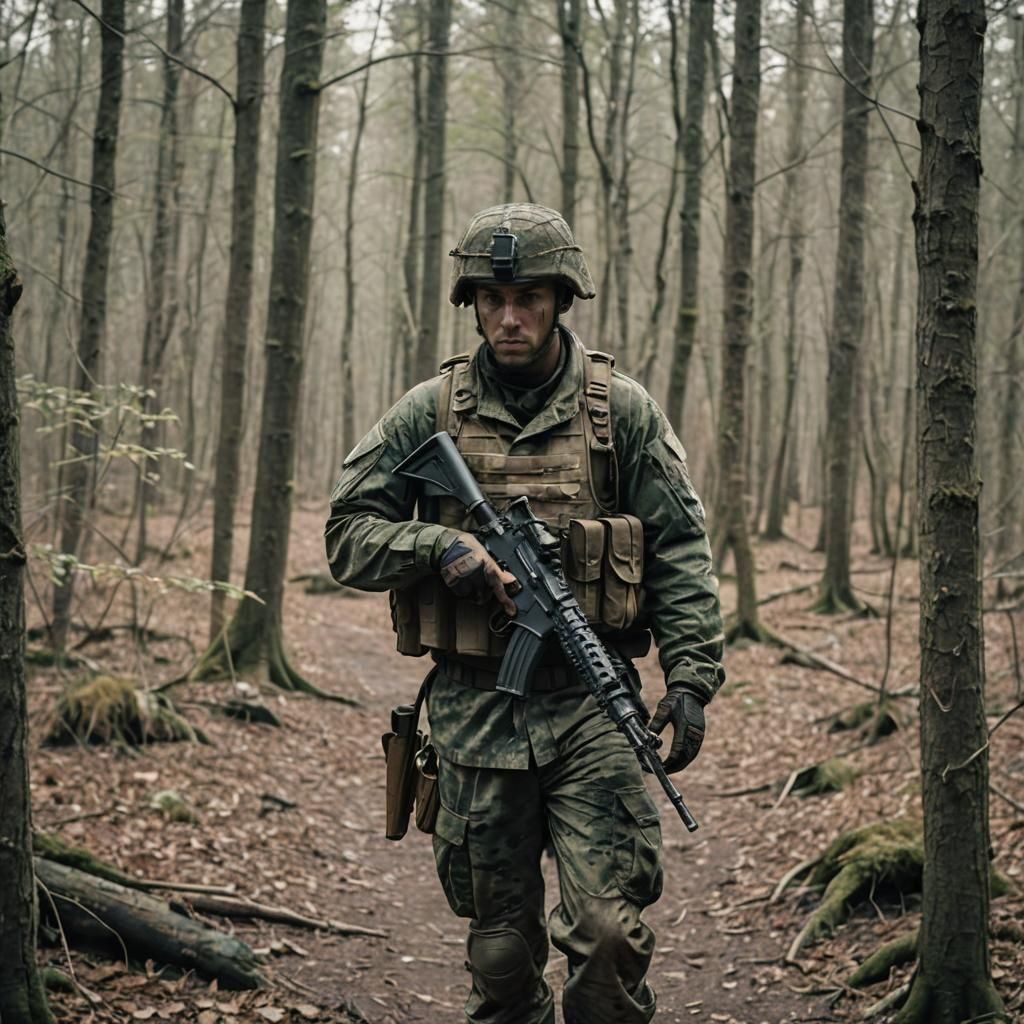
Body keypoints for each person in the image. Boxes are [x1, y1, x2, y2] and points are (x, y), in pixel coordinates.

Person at [325, 203, 724, 1024]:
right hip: (476, 713)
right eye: (493, 299)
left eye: (530, 298)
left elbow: (680, 547)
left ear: (561, 299)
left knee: (611, 936)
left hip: (592, 713)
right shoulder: (429, 413)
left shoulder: (624, 413)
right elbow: (346, 536)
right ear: (471, 302)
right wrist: (440, 549)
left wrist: (690, 679)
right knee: (501, 955)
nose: (510, 317)